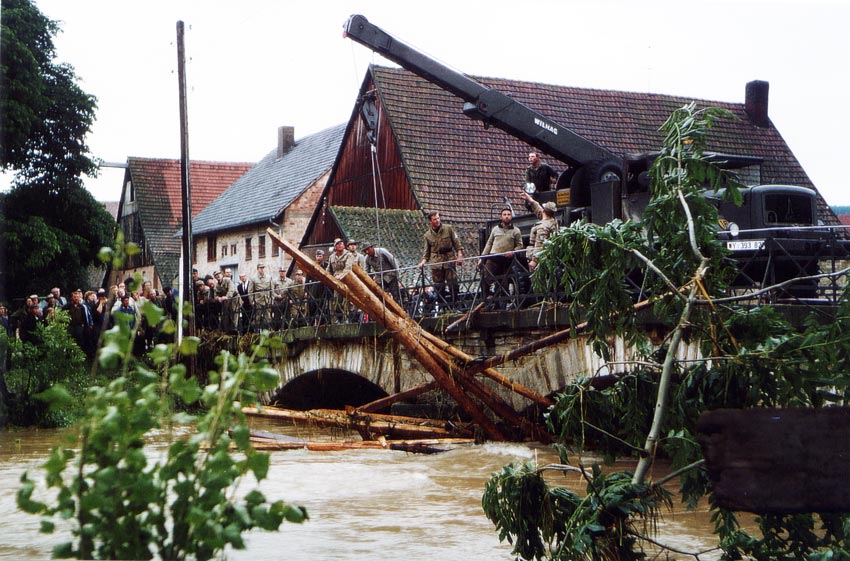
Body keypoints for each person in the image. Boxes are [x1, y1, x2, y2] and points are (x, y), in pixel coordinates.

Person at [478, 207, 523, 308]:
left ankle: (501, 305)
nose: (507, 217)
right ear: (501, 217)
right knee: (486, 275)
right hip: (494, 257)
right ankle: (488, 297)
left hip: (506, 259)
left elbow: (520, 245)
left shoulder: (516, 231)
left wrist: (513, 252)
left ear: (511, 216)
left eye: (508, 214)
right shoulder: (495, 229)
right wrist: (482, 258)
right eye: (505, 215)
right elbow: (489, 243)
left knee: (503, 282)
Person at [418, 211, 463, 306]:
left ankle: (455, 305)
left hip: (449, 259)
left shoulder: (448, 229)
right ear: (430, 221)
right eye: (434, 219)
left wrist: (459, 256)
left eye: (438, 218)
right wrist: (423, 262)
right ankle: (442, 307)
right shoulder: (427, 235)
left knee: (453, 284)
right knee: (438, 287)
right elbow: (426, 252)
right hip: (436, 263)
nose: (437, 221)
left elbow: (457, 244)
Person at [522, 192, 560, 271]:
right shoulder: (552, 221)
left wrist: (534, 261)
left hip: (540, 259)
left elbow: (539, 244)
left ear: (544, 211)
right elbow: (539, 211)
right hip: (547, 256)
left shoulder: (543, 227)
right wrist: (531, 200)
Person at [328, 238, 355, 322]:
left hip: (347, 280)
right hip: (336, 282)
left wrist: (340, 276)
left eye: (341, 243)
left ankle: (348, 318)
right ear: (335, 247)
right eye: (338, 244)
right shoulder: (332, 257)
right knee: (337, 301)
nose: (340, 245)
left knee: (347, 300)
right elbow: (329, 269)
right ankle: (339, 319)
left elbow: (348, 268)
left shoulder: (349, 255)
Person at [64, 289, 94, 357]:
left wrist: (87, 327)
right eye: (75, 297)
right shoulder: (67, 306)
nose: (76, 298)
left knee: (80, 343)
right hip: (70, 327)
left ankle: (78, 357)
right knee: (70, 343)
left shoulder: (82, 307)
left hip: (79, 327)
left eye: (77, 297)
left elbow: (85, 319)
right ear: (72, 298)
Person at [252, 263, 273, 329]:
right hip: (258, 300)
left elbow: (271, 289)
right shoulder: (253, 278)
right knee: (257, 316)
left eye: (263, 268)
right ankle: (256, 331)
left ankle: (267, 330)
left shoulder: (269, 277)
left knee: (268, 316)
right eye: (260, 268)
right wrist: (252, 301)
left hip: (267, 299)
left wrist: (272, 299)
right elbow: (250, 291)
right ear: (257, 269)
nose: (262, 269)